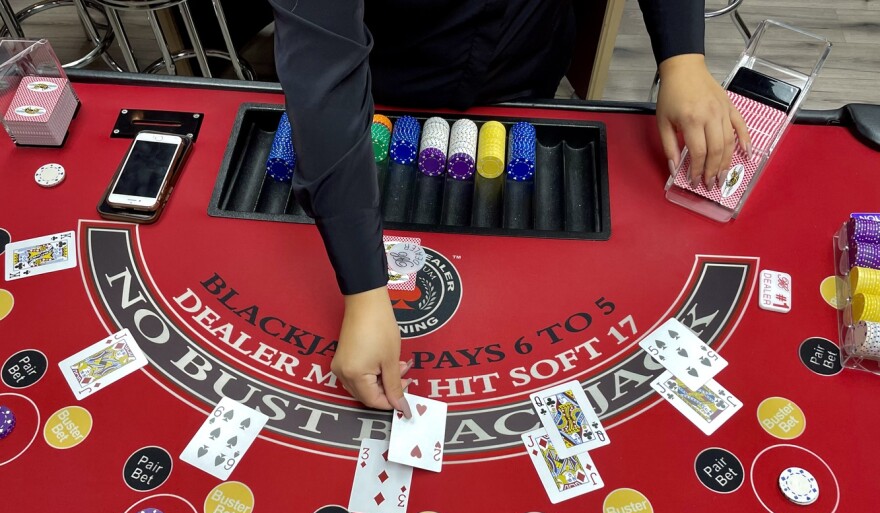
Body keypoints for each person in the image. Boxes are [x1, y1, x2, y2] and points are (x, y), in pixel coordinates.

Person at [267, 0, 750, 417]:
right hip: (385, 80)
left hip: (525, 68)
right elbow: (324, 68)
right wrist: (365, 289)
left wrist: (683, 58)